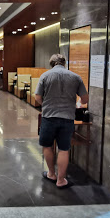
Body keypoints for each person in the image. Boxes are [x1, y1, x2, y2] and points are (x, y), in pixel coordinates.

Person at [35, 54, 89, 189]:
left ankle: (51, 174)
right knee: (64, 149)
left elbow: (37, 97)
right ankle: (61, 180)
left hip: (49, 117)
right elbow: (85, 99)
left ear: (51, 63)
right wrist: (78, 102)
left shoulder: (45, 76)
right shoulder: (75, 77)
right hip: (67, 118)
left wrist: (46, 105)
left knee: (47, 146)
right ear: (64, 63)